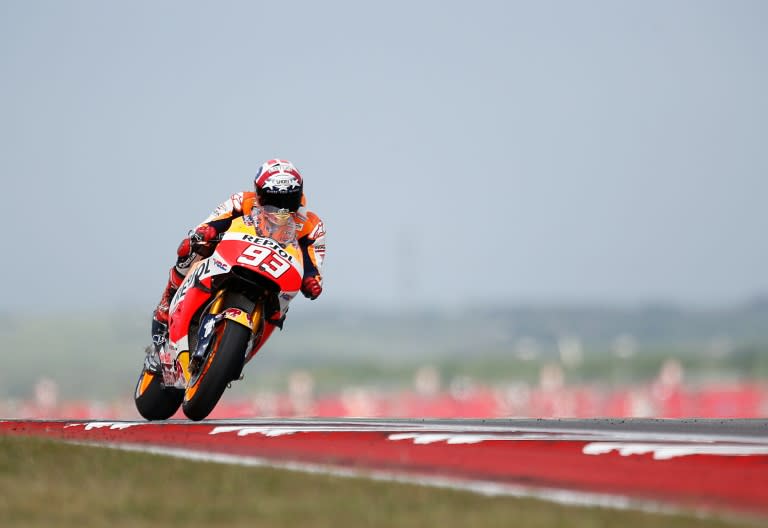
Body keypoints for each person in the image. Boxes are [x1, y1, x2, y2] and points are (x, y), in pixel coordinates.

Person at [147, 159, 326, 367]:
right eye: (273, 199)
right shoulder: (243, 201)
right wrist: (208, 231)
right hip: (233, 256)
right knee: (189, 246)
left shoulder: (312, 225)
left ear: (300, 196)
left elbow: (313, 261)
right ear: (259, 193)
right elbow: (213, 221)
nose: (280, 208)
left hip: (276, 274)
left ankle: (239, 350)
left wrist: (312, 280)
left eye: (289, 199)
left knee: (281, 309)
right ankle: (167, 301)